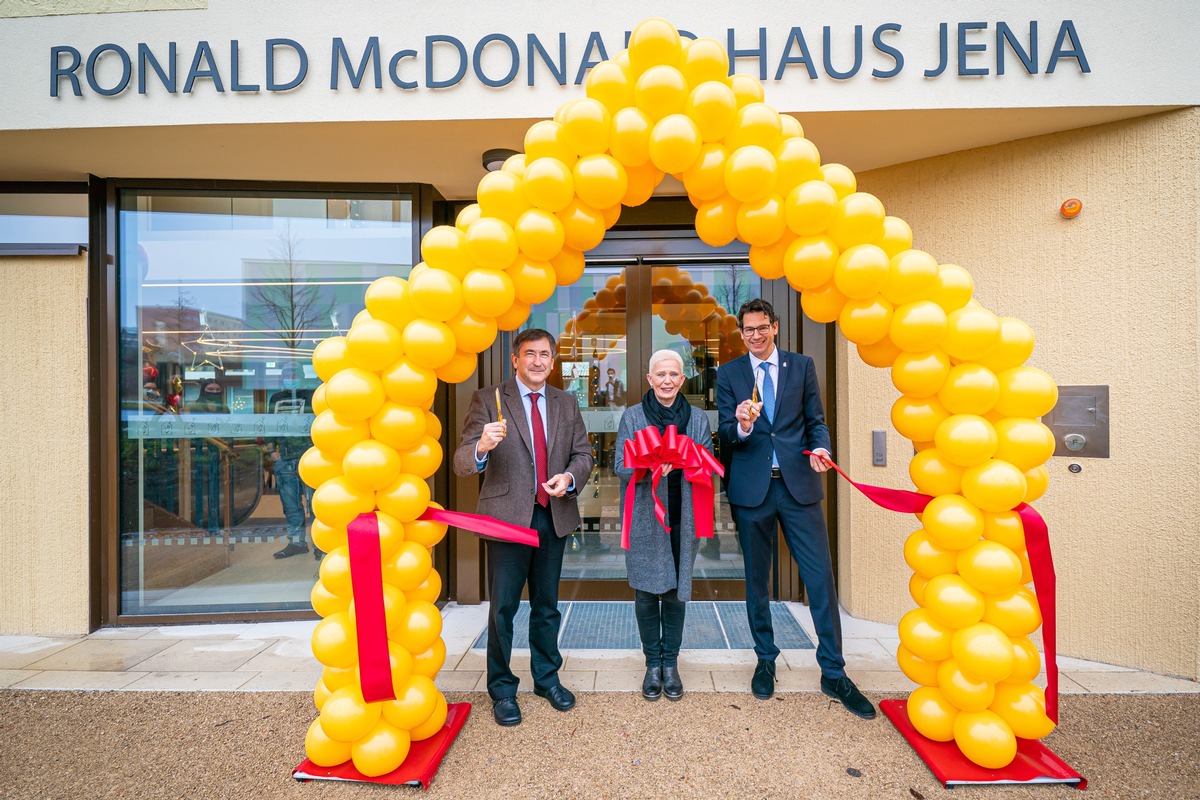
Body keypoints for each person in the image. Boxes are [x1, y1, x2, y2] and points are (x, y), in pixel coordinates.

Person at [716, 298, 876, 720]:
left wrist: (821, 446)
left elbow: (815, 420)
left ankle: (834, 672)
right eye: (748, 329)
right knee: (757, 581)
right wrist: (744, 424)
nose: (755, 335)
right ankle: (765, 658)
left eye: (761, 327)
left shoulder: (801, 366)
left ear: (775, 326)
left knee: (820, 578)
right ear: (742, 332)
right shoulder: (729, 373)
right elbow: (727, 435)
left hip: (799, 487)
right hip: (752, 491)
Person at [452, 328, 594, 727]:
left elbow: (583, 454)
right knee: (503, 609)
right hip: (507, 521)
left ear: (553, 360)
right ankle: (501, 688)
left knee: (547, 607)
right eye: (529, 354)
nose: (537, 361)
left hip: (553, 515)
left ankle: (546, 678)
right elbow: (462, 462)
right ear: (515, 360)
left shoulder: (566, 403)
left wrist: (569, 477)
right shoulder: (489, 398)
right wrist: (481, 447)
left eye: (544, 354)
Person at [615, 349, 713, 702]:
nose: (667, 380)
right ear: (650, 379)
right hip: (644, 517)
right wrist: (650, 465)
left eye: (674, 374)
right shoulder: (633, 417)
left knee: (674, 593)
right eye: (661, 375)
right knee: (644, 593)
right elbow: (619, 466)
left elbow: (707, 462)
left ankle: (670, 664)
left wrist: (685, 462)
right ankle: (651, 664)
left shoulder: (698, 419)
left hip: (682, 517)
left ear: (682, 380)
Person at [268, 364, 320, 561]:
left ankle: (319, 544)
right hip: (285, 459)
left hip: (312, 459)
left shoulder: (312, 396)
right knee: (291, 505)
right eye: (287, 375)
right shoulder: (276, 399)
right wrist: (272, 451)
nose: (291, 378)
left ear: (302, 376)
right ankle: (297, 543)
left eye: (294, 374)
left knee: (316, 504)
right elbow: (268, 426)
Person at [186, 377, 229, 533]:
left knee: (217, 490)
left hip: (218, 453)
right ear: (203, 390)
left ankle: (215, 525)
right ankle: (199, 525)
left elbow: (228, 428)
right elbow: (189, 430)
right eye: (210, 390)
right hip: (199, 452)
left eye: (217, 390)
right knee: (199, 490)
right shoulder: (194, 407)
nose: (214, 392)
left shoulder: (224, 408)